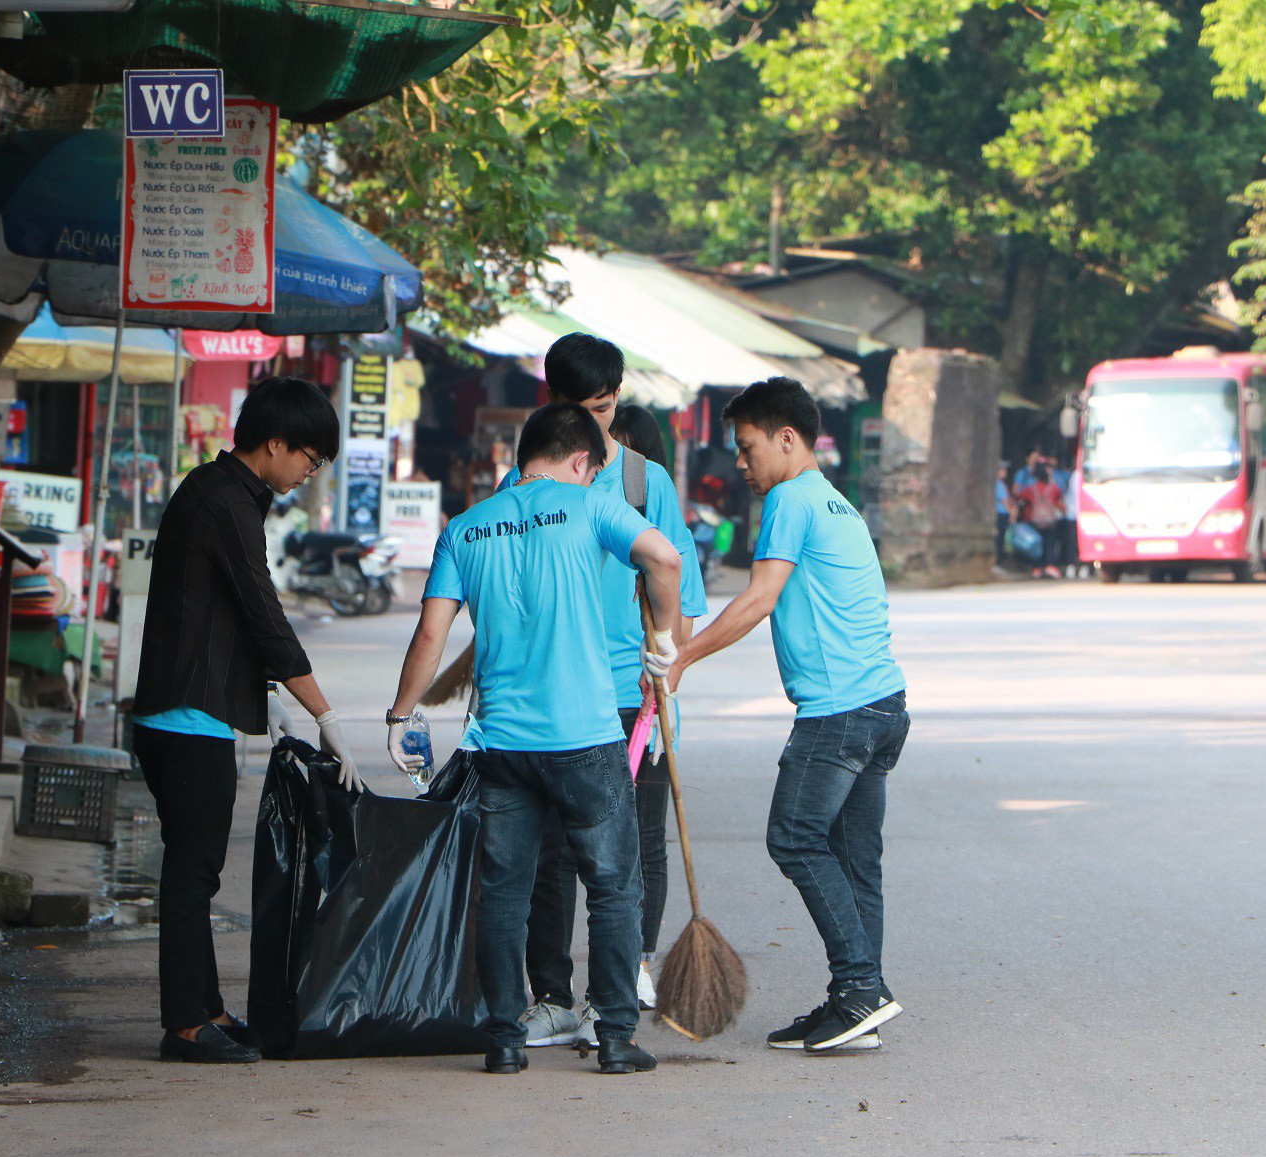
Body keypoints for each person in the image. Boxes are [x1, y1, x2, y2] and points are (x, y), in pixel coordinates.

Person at [386, 402, 684, 1075]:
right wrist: (662, 643)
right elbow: (663, 558)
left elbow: (432, 635)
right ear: (583, 461)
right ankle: (613, 1038)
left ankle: (503, 1039)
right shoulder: (589, 508)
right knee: (613, 887)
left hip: (502, 747)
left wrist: (402, 713)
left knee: (506, 893)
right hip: (584, 737)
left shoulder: (465, 528)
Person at [667, 377, 909, 1054]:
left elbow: (759, 597)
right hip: (883, 705)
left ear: (786, 439)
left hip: (840, 714)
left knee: (795, 838)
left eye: (746, 449)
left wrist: (683, 656)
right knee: (856, 861)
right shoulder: (834, 502)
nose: (740, 464)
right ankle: (855, 1002)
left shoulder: (789, 499)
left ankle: (861, 987)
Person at [132, 377, 363, 1066]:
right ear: (274, 444)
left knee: (195, 868)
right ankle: (184, 1025)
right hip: (186, 717)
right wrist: (325, 713)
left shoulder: (220, 492)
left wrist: (287, 702)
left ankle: (204, 1009)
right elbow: (265, 614)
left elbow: (231, 618)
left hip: (188, 712)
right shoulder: (227, 503)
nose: (308, 472)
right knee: (192, 872)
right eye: (309, 458)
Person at [495, 343, 709, 1051]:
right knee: (549, 855)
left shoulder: (645, 482)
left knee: (628, 852)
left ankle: (621, 985)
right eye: (579, 411)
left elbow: (675, 585)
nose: (593, 426)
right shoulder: (519, 485)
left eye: (605, 409)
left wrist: (668, 665)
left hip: (627, 694)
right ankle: (552, 997)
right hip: (548, 696)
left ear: (618, 399)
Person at [1014, 456, 1065, 579]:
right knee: (1049, 543)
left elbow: (1019, 496)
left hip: (1034, 521)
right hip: (1049, 521)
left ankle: (1036, 568)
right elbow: (1059, 499)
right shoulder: (1054, 489)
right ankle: (1049, 566)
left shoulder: (1030, 489)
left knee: (1035, 544)